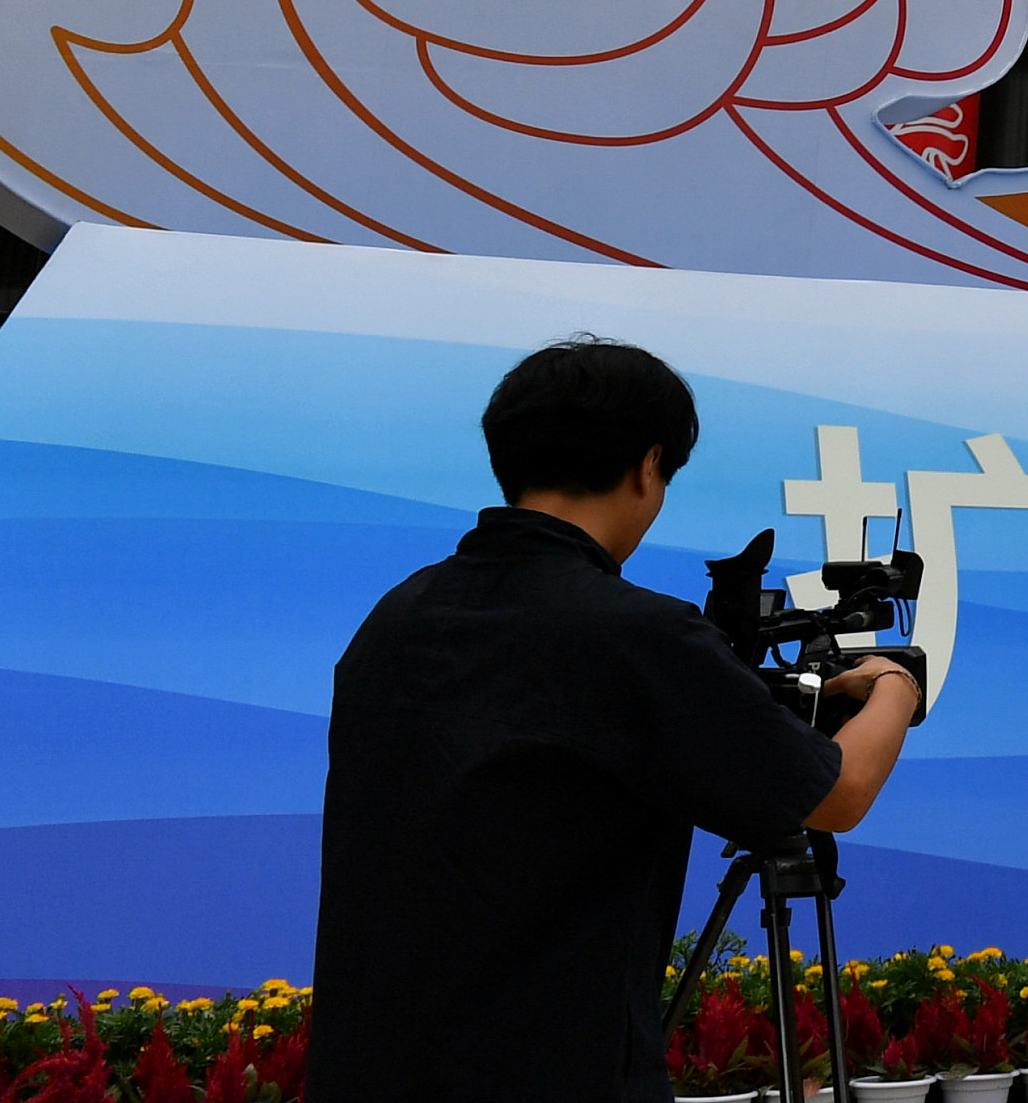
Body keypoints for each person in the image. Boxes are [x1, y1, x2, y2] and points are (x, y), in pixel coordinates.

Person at [313, 337, 925, 1101]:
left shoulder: (396, 617)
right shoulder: (632, 633)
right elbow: (838, 791)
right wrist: (895, 683)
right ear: (647, 465)